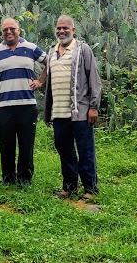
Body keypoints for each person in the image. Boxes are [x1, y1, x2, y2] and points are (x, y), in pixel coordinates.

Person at [37, 15, 102, 201]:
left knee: (85, 151)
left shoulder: (83, 50)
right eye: (58, 28)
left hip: (80, 112)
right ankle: (69, 187)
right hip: (58, 113)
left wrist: (93, 107)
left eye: (65, 28)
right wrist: (48, 112)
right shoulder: (51, 52)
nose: (61, 31)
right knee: (64, 151)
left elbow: (94, 80)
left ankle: (90, 189)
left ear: (73, 30)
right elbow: (49, 85)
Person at [0, 18, 47, 186]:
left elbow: (50, 62)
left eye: (12, 28)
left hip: (27, 105)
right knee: (6, 144)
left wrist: (41, 81)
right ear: (2, 32)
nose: (9, 32)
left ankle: (25, 178)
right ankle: (8, 178)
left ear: (19, 30)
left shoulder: (31, 48)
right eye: (5, 30)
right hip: (5, 106)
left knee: (26, 143)